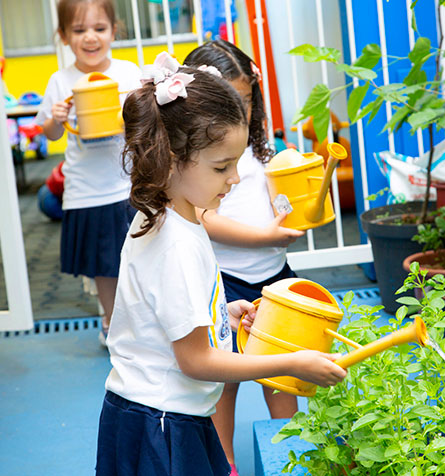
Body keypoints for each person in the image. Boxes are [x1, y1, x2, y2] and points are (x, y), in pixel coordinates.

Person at [95, 53, 346, 476]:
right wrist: (290, 362)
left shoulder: (167, 213)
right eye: (221, 166)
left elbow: (164, 314)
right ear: (170, 158)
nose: (234, 178)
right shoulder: (176, 243)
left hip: (152, 412)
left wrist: (222, 315)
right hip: (162, 423)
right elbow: (197, 361)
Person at [184, 40, 304, 475]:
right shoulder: (204, 162)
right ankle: (227, 464)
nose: (243, 111)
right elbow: (206, 217)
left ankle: (290, 456)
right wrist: (264, 236)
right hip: (229, 281)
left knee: (281, 374)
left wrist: (293, 209)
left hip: (275, 278)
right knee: (226, 381)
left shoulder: (257, 149)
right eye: (232, 101)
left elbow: (279, 202)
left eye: (248, 101)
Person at [35, 0, 141, 345]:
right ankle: (111, 321)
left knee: (138, 258)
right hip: (87, 190)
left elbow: (147, 122)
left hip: (128, 185)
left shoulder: (126, 73)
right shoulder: (60, 80)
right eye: (79, 30)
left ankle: (143, 321)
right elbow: (50, 134)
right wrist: (57, 119)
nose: (90, 38)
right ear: (64, 36)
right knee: (103, 266)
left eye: (99, 28)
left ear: (114, 30)